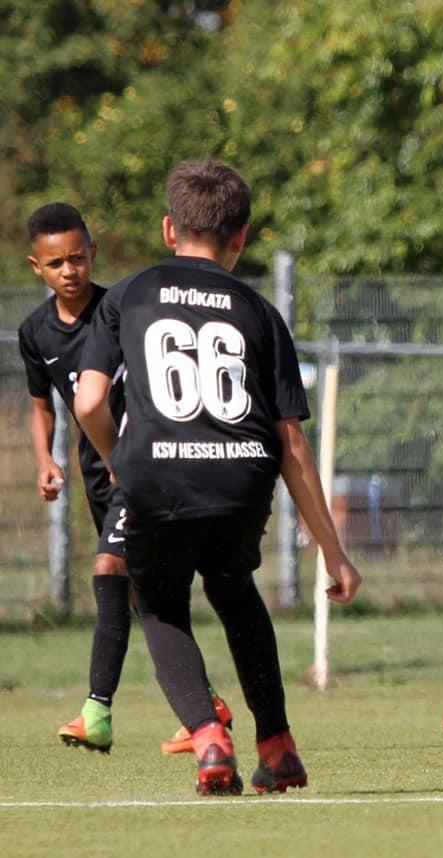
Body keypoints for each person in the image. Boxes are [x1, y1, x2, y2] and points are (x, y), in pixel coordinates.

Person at [74, 159, 362, 794]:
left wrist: (120, 461)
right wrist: (333, 552)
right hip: (242, 476)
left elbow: (90, 401)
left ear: (169, 229)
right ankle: (278, 747)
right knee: (233, 589)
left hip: (157, 475)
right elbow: (292, 442)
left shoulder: (129, 294)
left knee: (158, 602)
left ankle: (208, 737)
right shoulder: (259, 310)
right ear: (242, 236)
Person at [18, 203, 231, 755]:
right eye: (56, 263)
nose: (70, 270)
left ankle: (97, 711)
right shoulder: (34, 332)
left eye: (78, 258)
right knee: (144, 592)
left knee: (109, 568)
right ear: (37, 267)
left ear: (93, 253)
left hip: (142, 463)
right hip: (97, 473)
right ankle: (205, 705)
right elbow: (42, 407)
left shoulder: (123, 310)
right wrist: (45, 459)